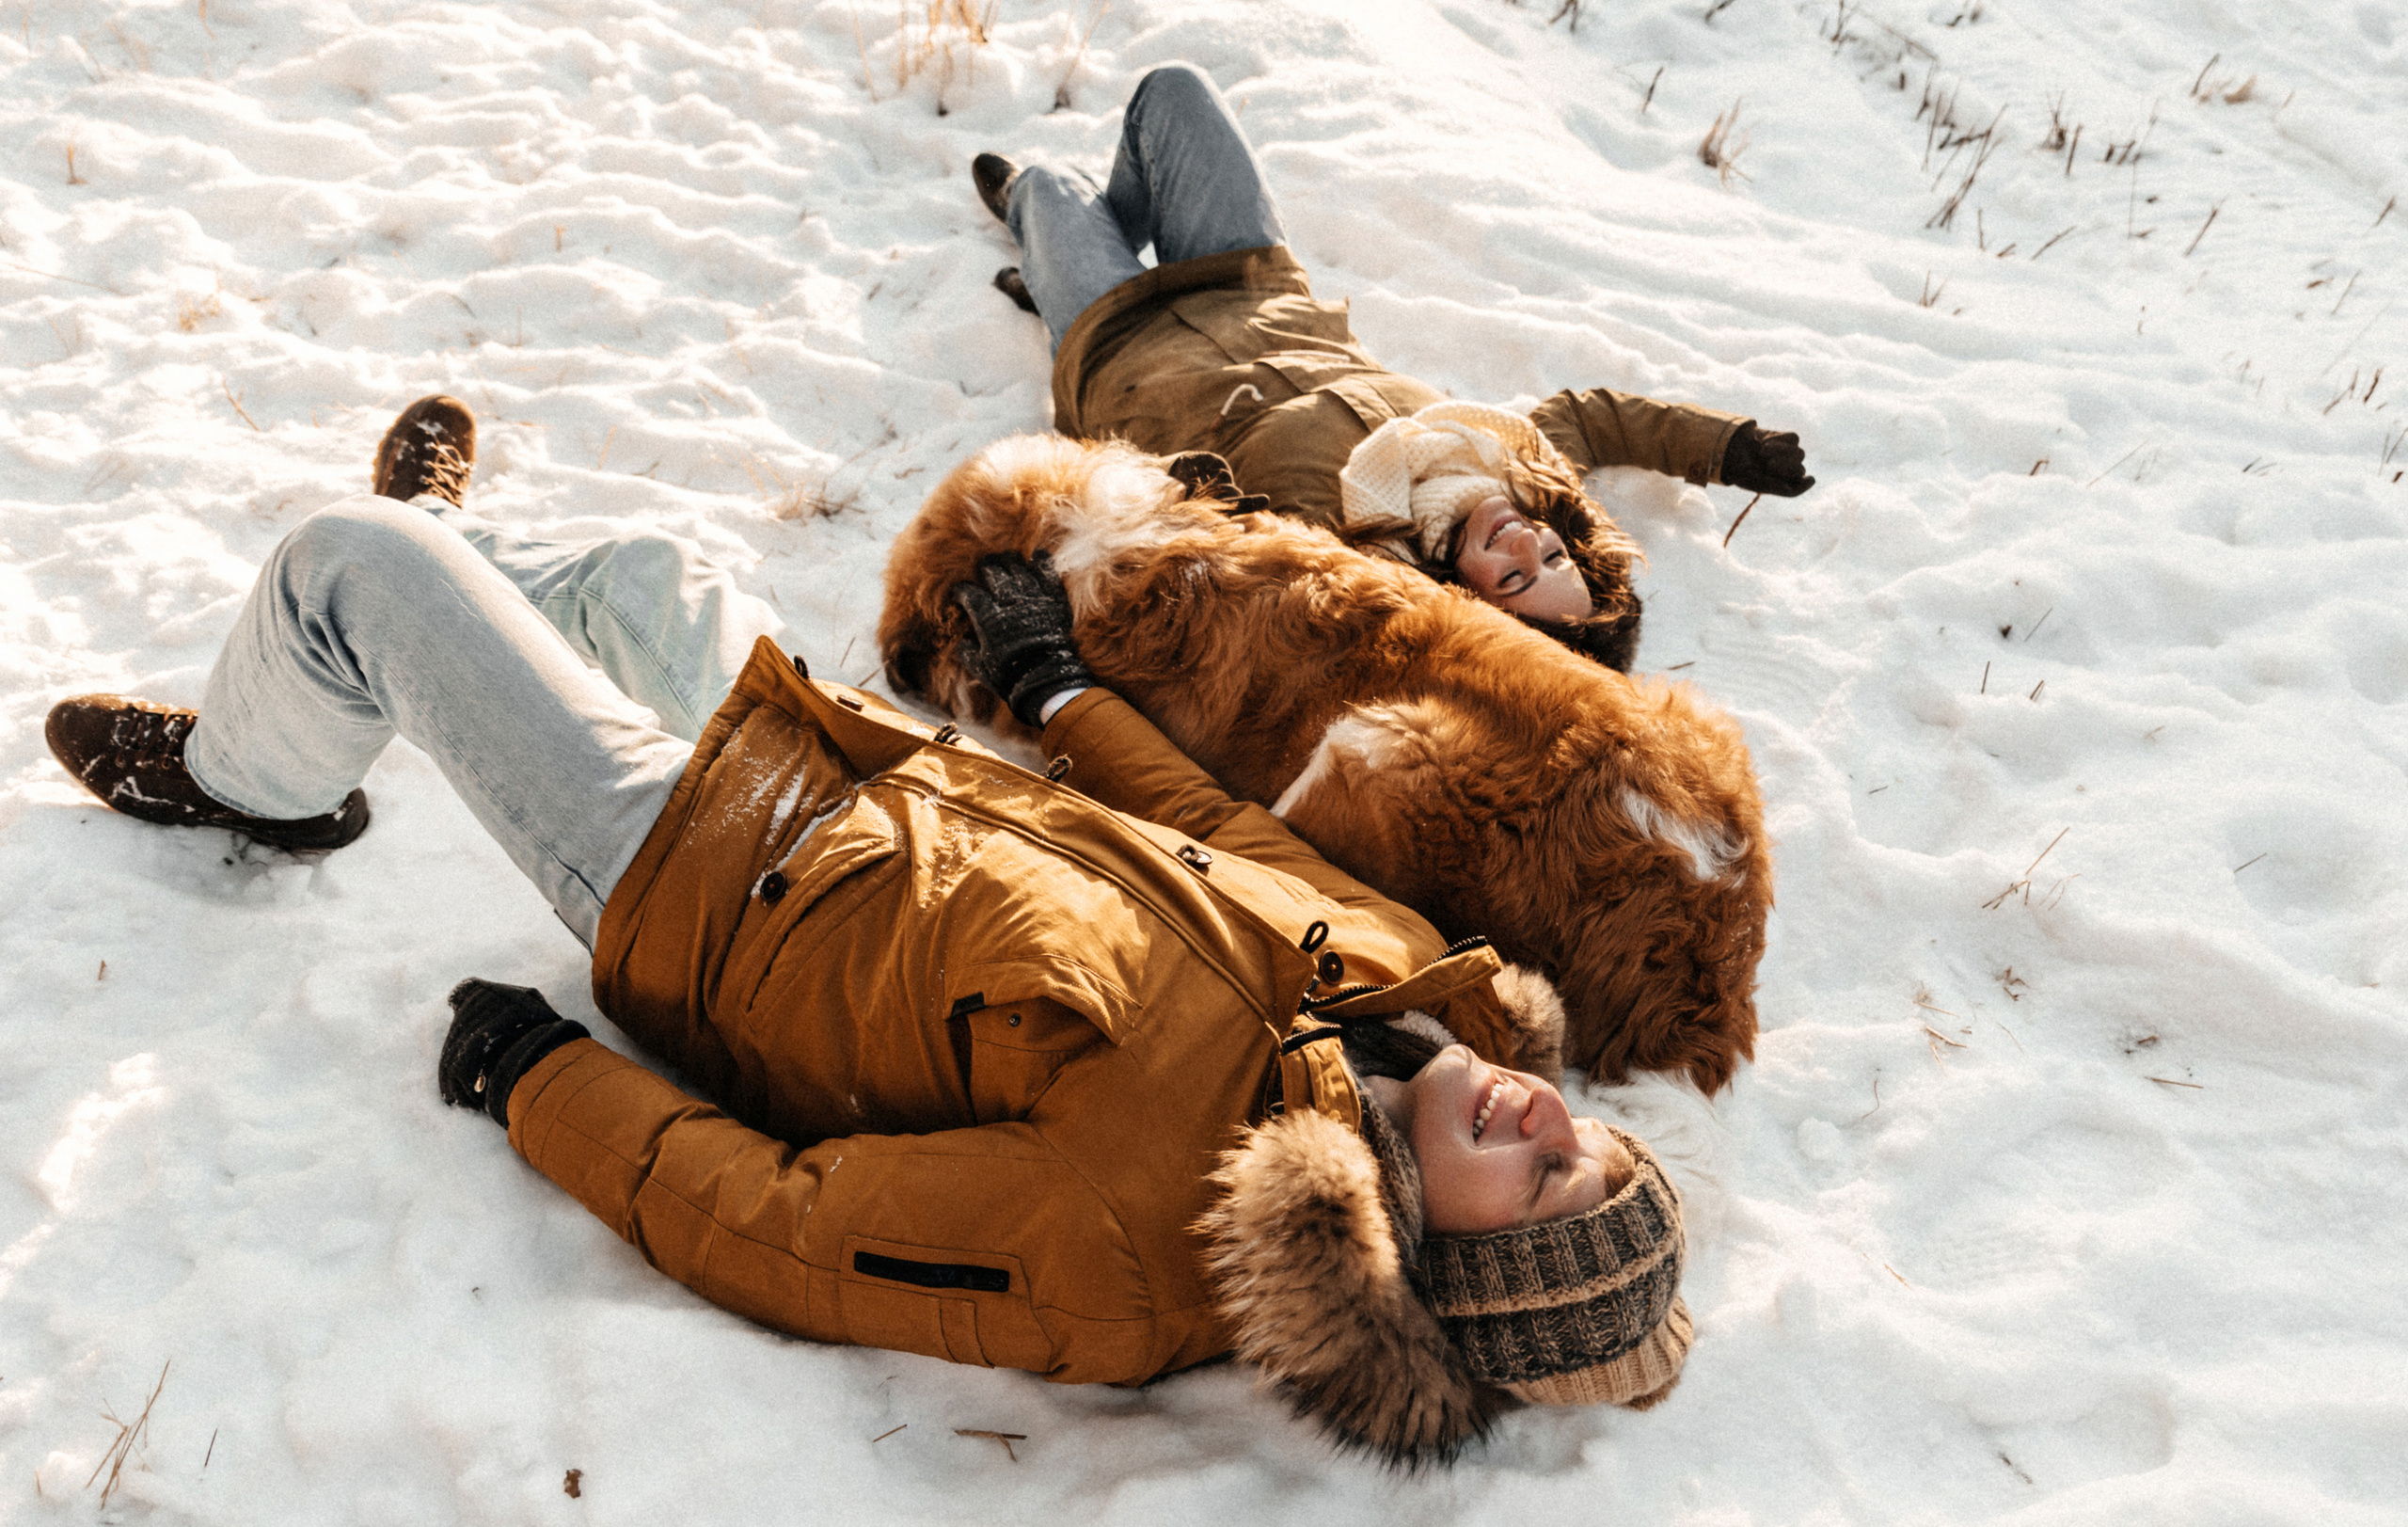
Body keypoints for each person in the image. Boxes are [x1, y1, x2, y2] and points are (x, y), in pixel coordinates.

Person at [43, 398, 1694, 1466]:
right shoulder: (1402, 979)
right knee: (648, 572)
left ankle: (249, 775)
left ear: (1465, 1264)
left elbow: (803, 1232)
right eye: (1592, 1141)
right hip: (865, 776)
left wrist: (536, 1077)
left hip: (707, 887)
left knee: (354, 564)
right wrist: (1055, 689)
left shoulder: (1150, 1246)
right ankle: (458, 585)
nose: (1549, 1118)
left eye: (1543, 1179)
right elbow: (1213, 835)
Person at [974, 63, 1816, 672]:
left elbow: (1204, 577)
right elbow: (1593, 415)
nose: (1524, 542)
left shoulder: (1346, 561)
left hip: (1118, 347)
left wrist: (1201, 496)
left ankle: (1051, 245)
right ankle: (1076, 250)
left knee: (1045, 185)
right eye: (1554, 559)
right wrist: (1729, 447)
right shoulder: (1509, 461)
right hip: (1249, 277)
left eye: (1516, 578)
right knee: (1174, 93)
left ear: (1472, 602)